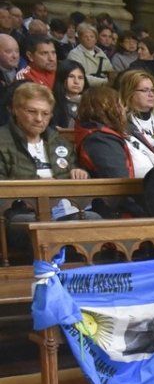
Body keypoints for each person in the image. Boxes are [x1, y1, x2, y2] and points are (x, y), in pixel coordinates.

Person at [1, 83, 97, 248]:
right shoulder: (2, 141)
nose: (39, 119)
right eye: (32, 111)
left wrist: (79, 172)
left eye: (45, 113)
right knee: (42, 227)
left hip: (64, 209)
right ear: (16, 110)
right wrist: (35, 187)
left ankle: (87, 273)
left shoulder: (58, 141)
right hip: (21, 213)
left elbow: (73, 168)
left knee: (93, 220)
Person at [74, 85, 143, 178]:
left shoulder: (111, 132)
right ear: (108, 108)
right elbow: (119, 180)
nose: (124, 109)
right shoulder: (100, 140)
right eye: (119, 104)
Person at [121, 70, 154, 154]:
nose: (151, 94)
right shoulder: (124, 122)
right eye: (145, 90)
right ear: (130, 93)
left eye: (152, 90)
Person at [67, 23, 113, 87]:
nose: (89, 39)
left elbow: (110, 72)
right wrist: (105, 81)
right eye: (86, 36)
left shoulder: (101, 54)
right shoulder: (74, 54)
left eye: (92, 36)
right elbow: (80, 76)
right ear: (80, 39)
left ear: (96, 39)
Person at [51, 60, 87, 129]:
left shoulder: (90, 102)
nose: (76, 82)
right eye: (71, 76)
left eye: (80, 78)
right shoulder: (52, 102)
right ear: (62, 78)